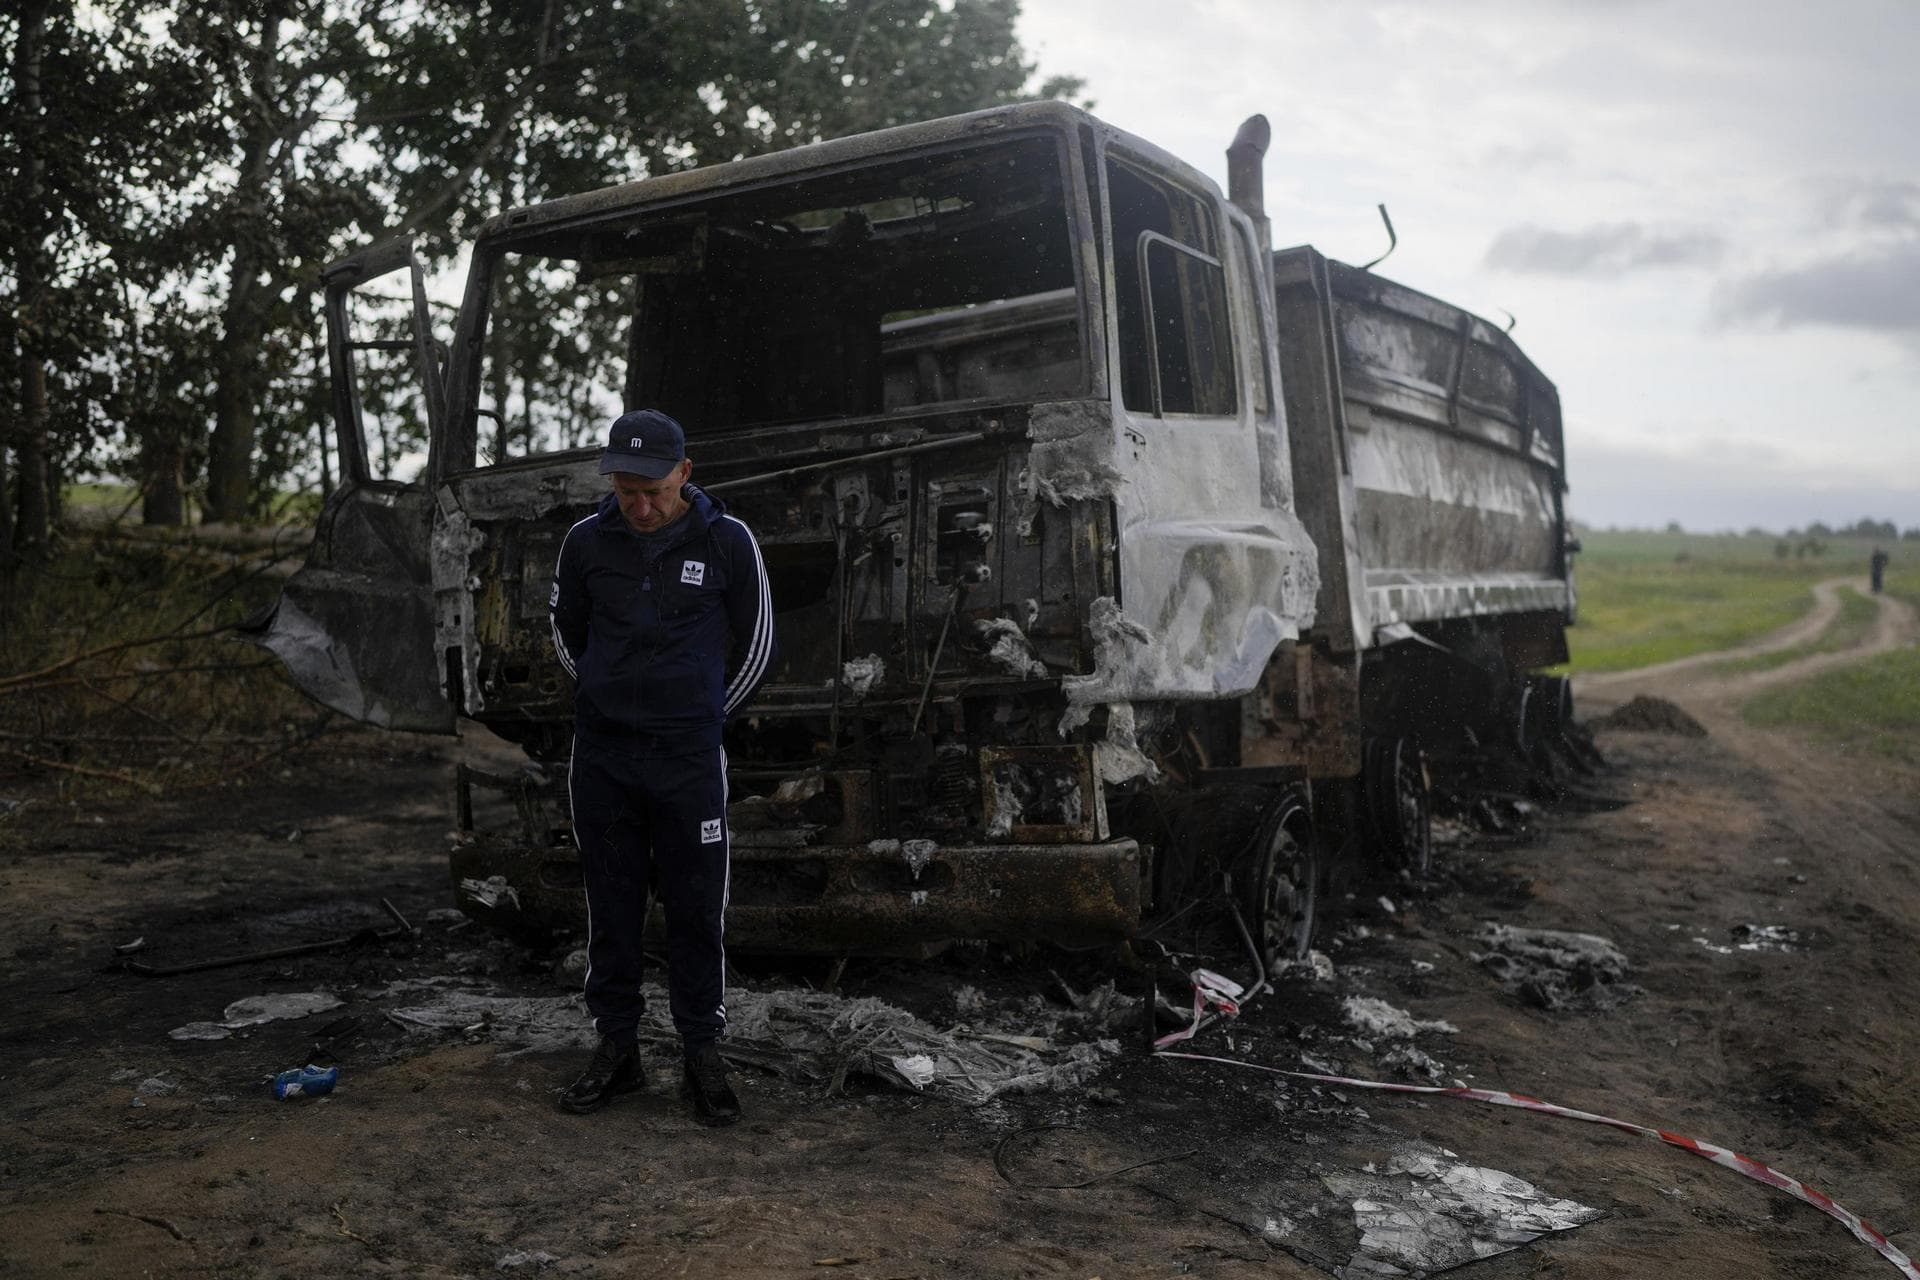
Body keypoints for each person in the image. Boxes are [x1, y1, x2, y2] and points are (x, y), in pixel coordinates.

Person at [548, 408, 776, 1123]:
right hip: (606, 758)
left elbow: (761, 642)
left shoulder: (728, 540)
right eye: (626, 492)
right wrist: (601, 699)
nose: (641, 506)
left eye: (653, 490)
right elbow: (566, 634)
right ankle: (618, 1051)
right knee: (610, 905)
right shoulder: (585, 542)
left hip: (687, 758)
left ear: (685, 472)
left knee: (695, 905)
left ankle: (701, 1056)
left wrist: (705, 720)